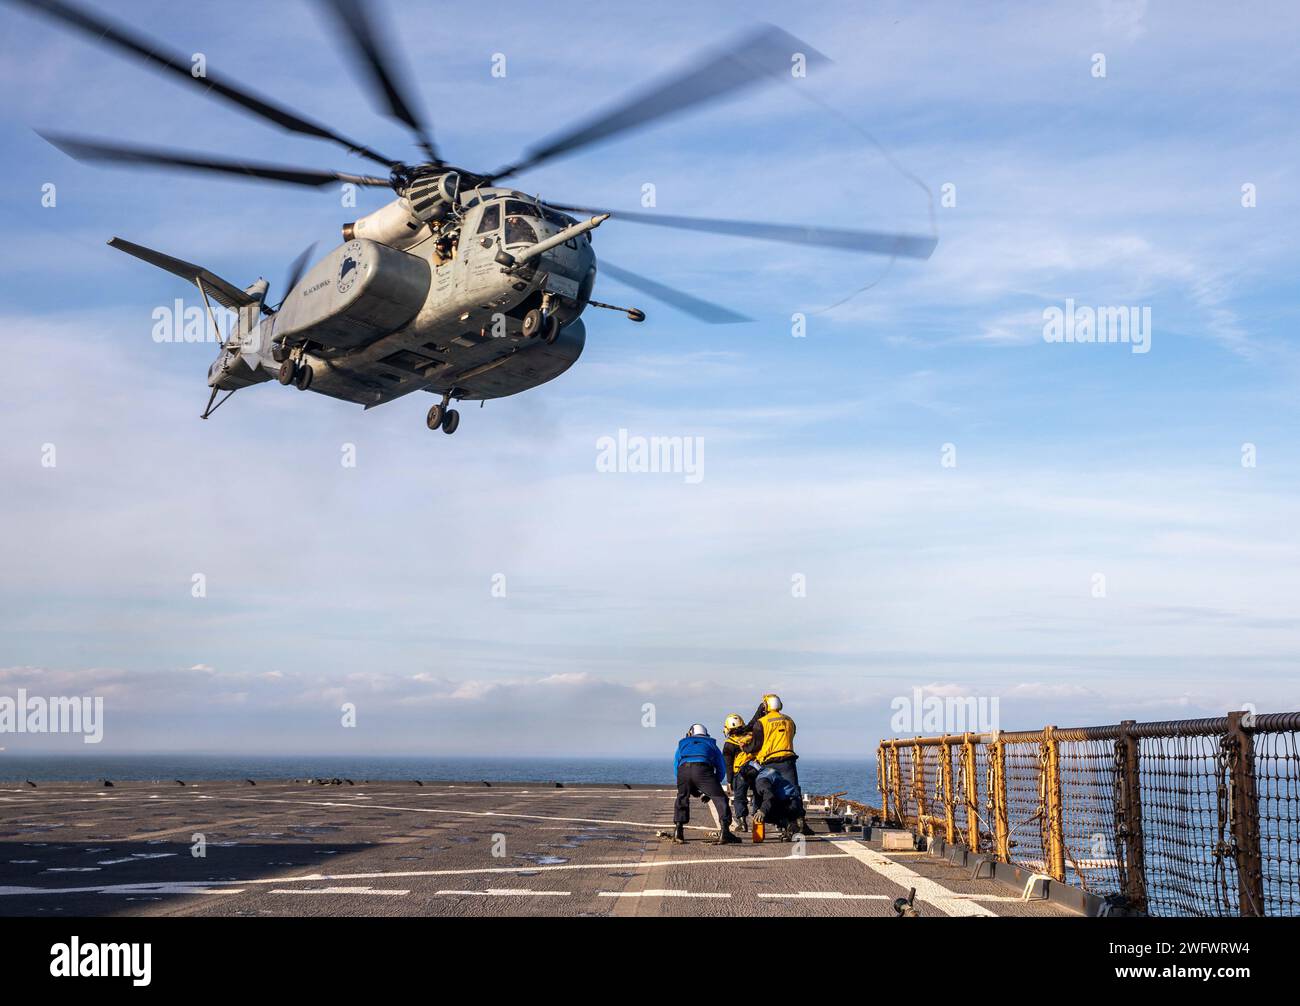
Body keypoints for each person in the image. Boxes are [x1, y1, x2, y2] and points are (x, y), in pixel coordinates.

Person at [743, 693, 813, 835]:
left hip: (769, 763)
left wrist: (745, 748)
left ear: (766, 706)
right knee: (793, 792)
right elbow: (791, 735)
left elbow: (755, 745)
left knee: (766, 793)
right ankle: (800, 821)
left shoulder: (761, 722)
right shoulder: (789, 720)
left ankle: (770, 822)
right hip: (788, 761)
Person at [672, 724, 739, 845]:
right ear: (705, 734)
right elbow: (721, 768)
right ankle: (725, 832)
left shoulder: (683, 744)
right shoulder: (711, 744)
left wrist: (687, 786)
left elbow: (676, 766)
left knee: (682, 797)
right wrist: (714, 788)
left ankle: (678, 830)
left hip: (683, 771)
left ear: (690, 733)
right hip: (702, 770)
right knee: (720, 798)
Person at [739, 760, 802, 841]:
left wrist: (762, 811)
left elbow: (769, 796)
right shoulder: (766, 771)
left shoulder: (761, 781)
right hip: (794, 801)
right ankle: (789, 827)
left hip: (789, 804)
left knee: (764, 815)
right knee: (763, 810)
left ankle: (790, 826)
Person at [721, 712, 756, 832]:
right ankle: (758, 820)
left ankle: (742, 822)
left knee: (739, 798)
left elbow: (728, 765)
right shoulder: (751, 736)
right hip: (756, 770)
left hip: (740, 773)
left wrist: (729, 781)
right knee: (758, 794)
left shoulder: (729, 744)